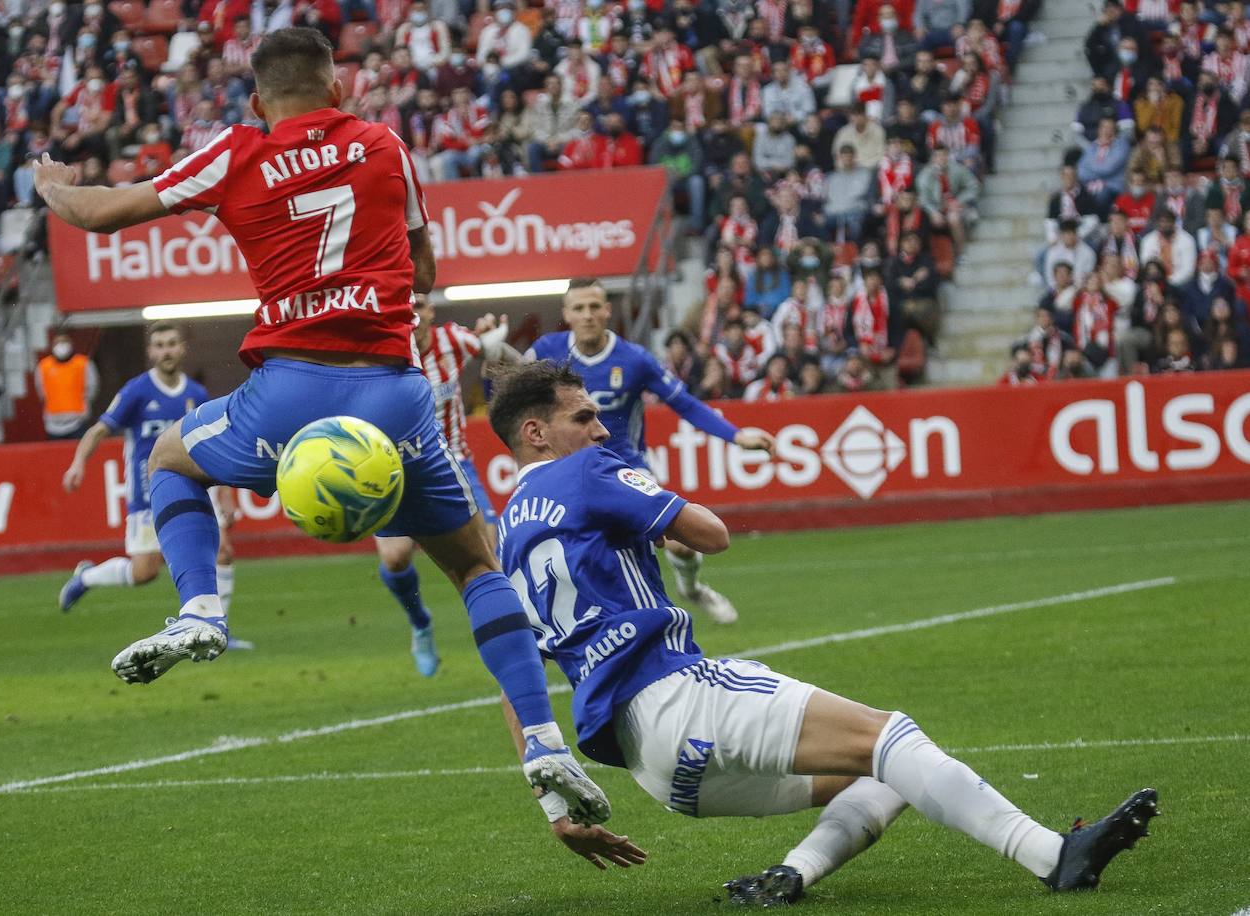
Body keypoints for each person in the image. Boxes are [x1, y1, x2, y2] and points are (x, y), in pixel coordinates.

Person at [31, 27, 609, 826]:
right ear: (337, 90)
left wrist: (53, 185)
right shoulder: (384, 145)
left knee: (171, 455)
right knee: (477, 570)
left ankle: (201, 609)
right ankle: (543, 739)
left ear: (260, 100)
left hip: (287, 393)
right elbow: (428, 274)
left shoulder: (238, 150)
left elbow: (100, 214)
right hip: (393, 397)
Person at [487, 360, 1157, 898]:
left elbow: (512, 683)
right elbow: (710, 534)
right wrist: (644, 504)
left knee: (891, 771)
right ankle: (1053, 855)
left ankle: (790, 877)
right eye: (585, 418)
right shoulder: (586, 470)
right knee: (890, 735)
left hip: (653, 768)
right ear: (537, 433)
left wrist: (558, 812)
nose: (602, 431)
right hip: (678, 695)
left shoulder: (506, 534)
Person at [524, 278, 775, 625]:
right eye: (579, 308)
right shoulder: (544, 352)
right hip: (565, 475)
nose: (587, 315)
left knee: (681, 543)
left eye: (594, 306)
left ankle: (691, 589)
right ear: (566, 313)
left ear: (607, 310)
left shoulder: (635, 359)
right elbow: (508, 399)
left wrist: (736, 436)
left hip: (624, 467)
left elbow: (685, 403)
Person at [56, 325, 248, 656]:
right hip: (149, 494)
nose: (166, 351)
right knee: (145, 572)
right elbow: (100, 430)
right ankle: (87, 577)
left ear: (182, 349)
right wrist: (77, 464)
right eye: (159, 345)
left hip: (196, 488)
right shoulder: (137, 391)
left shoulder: (197, 395)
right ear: (151, 352)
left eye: (172, 344)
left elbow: (217, 445)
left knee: (223, 552)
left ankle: (219, 628)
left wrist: (226, 495)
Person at [375, 297, 515, 678]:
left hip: (456, 464)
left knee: (491, 560)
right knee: (395, 558)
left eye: (420, 303)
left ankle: (514, 646)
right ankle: (420, 623)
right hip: (395, 470)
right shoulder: (379, 351)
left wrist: (492, 335)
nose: (414, 313)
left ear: (432, 310)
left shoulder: (453, 341)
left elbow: (490, 346)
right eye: (406, 305)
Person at [34, 330, 99, 440]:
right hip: (53, 424)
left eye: (64, 342)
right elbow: (41, 390)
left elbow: (92, 387)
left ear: (71, 344)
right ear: (52, 345)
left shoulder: (83, 363)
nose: (61, 346)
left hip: (78, 421)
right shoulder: (43, 366)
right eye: (58, 343)